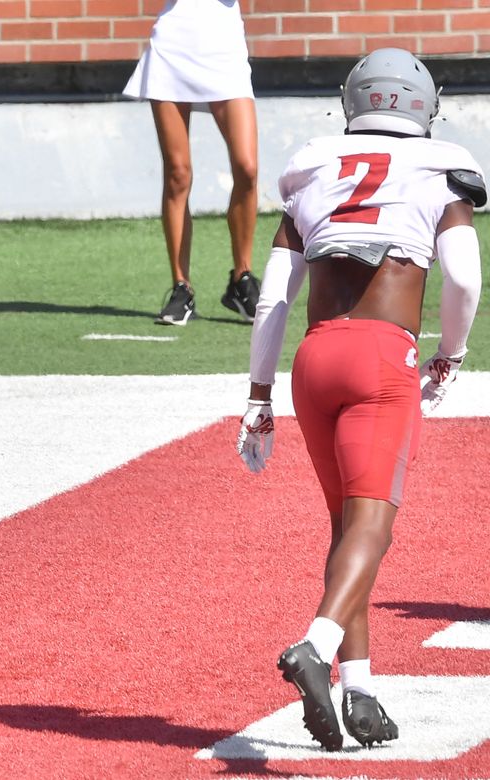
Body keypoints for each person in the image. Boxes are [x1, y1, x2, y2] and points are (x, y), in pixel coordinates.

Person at [235, 49, 483, 751]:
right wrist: (452, 353)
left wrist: (258, 395)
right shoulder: (440, 169)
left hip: (314, 360)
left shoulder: (316, 169)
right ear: (424, 107)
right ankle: (315, 645)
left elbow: (273, 300)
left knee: (347, 533)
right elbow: (464, 278)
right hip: (382, 357)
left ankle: (362, 691)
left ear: (354, 103)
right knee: (373, 528)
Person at [123, 0, 262, 326]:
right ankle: (181, 287)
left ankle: (241, 279)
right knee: (178, 173)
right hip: (173, 43)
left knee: (247, 167)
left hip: (223, 43)